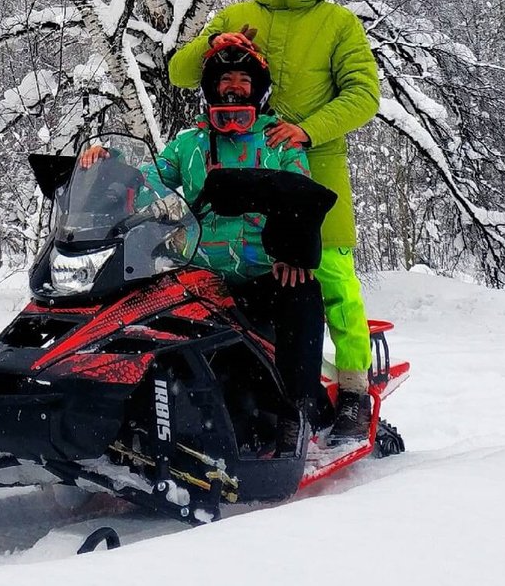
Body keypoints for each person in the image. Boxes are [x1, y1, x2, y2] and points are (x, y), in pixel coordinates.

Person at [168, 0, 379, 444]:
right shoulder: (240, 16)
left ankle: (352, 393)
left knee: (329, 280)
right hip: (231, 153)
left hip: (313, 166)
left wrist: (309, 130)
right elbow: (179, 71)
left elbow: (364, 94)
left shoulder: (338, 22)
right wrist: (213, 42)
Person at [81, 44, 325, 456]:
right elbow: (150, 181)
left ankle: (293, 413)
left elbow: (300, 193)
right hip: (199, 276)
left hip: (263, 274)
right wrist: (109, 161)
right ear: (212, 88)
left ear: (257, 89)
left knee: (302, 293)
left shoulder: (279, 141)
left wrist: (292, 251)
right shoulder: (189, 144)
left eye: (243, 81)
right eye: (225, 80)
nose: (234, 88)